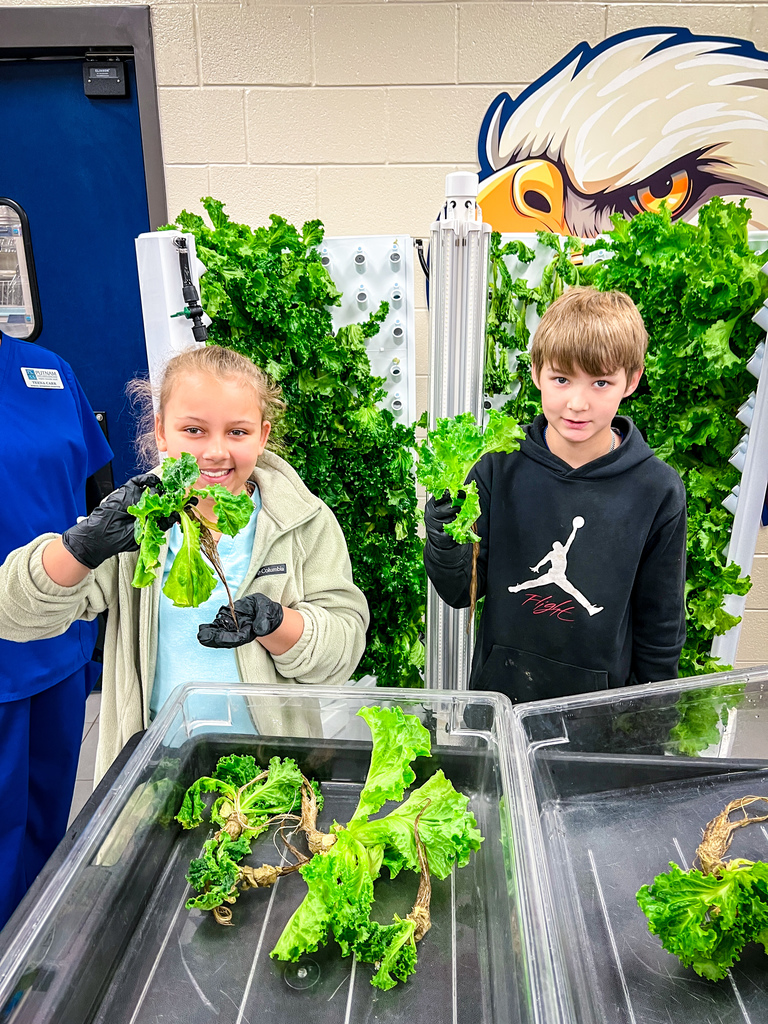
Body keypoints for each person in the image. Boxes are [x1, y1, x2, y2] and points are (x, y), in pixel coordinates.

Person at [0, 344, 369, 786]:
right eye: (194, 430)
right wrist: (81, 547)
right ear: (161, 432)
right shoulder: (136, 520)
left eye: (238, 432)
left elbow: (341, 652)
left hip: (273, 770)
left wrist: (276, 623)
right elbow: (14, 616)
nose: (215, 451)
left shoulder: (304, 522)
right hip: (156, 767)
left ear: (262, 435)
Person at [424, 287, 687, 704]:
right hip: (502, 702)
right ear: (536, 372)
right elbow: (459, 592)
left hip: (598, 717)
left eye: (601, 382)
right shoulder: (496, 467)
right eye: (561, 379)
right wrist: (444, 537)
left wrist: (648, 720)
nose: (577, 403)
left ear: (632, 380)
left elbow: (661, 628)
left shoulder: (657, 490)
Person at [0, 331, 113, 931]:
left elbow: (98, 485)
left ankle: (34, 955)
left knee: (47, 826)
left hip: (59, 649)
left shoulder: (47, 371)